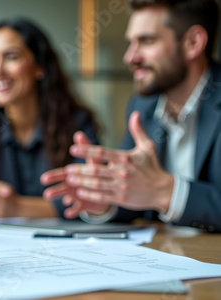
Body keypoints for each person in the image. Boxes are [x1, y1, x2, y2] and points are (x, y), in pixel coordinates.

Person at [41, 0, 221, 232]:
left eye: (146, 41)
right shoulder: (143, 106)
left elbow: (155, 192)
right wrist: (107, 200)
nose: (130, 57)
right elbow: (140, 197)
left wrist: (166, 192)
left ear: (193, 42)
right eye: (131, 43)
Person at [0, 18, 99, 218]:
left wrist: (17, 208)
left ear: (40, 67)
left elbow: (90, 197)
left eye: (11, 57)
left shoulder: (77, 124)